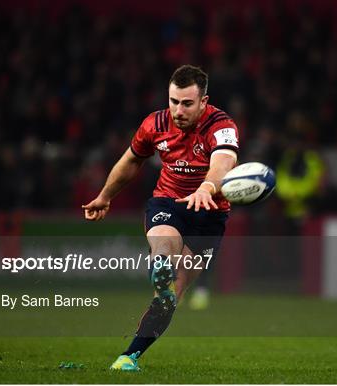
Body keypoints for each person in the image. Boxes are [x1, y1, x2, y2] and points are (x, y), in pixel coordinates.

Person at [82, 65, 239, 370]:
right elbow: (131, 160)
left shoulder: (222, 125)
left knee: (169, 297)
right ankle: (160, 264)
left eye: (187, 103)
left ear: (204, 102)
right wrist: (105, 195)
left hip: (209, 216)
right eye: (173, 101)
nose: (178, 110)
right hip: (169, 202)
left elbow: (224, 162)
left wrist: (207, 187)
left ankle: (129, 356)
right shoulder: (155, 124)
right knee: (164, 245)